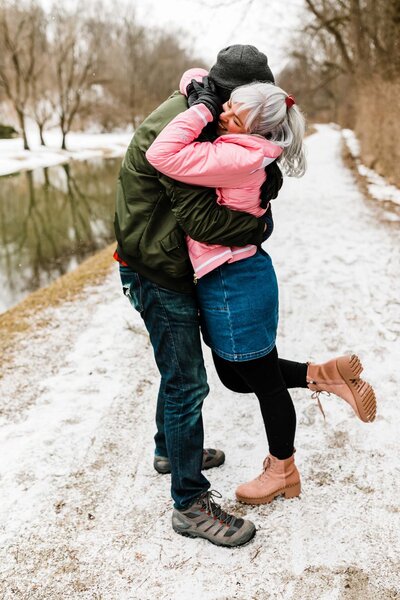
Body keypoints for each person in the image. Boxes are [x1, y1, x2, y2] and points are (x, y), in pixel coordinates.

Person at [114, 45, 376, 548]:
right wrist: (258, 222)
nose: (239, 110)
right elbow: (204, 219)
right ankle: (189, 503)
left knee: (207, 371)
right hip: (156, 267)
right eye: (239, 101)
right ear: (227, 95)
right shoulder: (195, 121)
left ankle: (173, 452)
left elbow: (231, 185)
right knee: (193, 381)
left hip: (180, 265)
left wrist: (259, 188)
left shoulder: (206, 115)